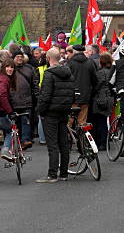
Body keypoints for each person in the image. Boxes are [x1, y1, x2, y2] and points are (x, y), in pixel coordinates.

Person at [35, 48, 75, 183]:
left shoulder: (49, 74)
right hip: (64, 111)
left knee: (52, 145)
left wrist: (40, 110)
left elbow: (45, 96)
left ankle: (52, 174)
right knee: (63, 143)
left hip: (51, 112)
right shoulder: (68, 73)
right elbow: (71, 93)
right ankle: (64, 173)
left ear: (48, 58)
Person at [11, 51, 37, 148]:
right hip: (13, 101)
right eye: (17, 57)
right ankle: (20, 140)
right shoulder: (9, 68)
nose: (19, 59)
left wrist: (36, 96)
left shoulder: (29, 69)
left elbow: (35, 83)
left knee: (26, 121)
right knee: (16, 123)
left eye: (21, 57)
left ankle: (25, 140)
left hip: (27, 100)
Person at [90, 52, 115, 150]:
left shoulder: (100, 73)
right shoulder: (112, 71)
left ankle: (101, 143)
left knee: (99, 121)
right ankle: (104, 141)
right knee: (104, 120)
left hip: (100, 98)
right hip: (109, 98)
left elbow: (96, 86)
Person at [67, 44, 97, 125]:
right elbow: (95, 80)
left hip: (73, 96)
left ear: (74, 51)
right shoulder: (89, 62)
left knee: (69, 121)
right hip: (85, 96)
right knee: (82, 122)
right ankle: (82, 136)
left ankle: (69, 136)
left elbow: (66, 79)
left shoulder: (70, 63)